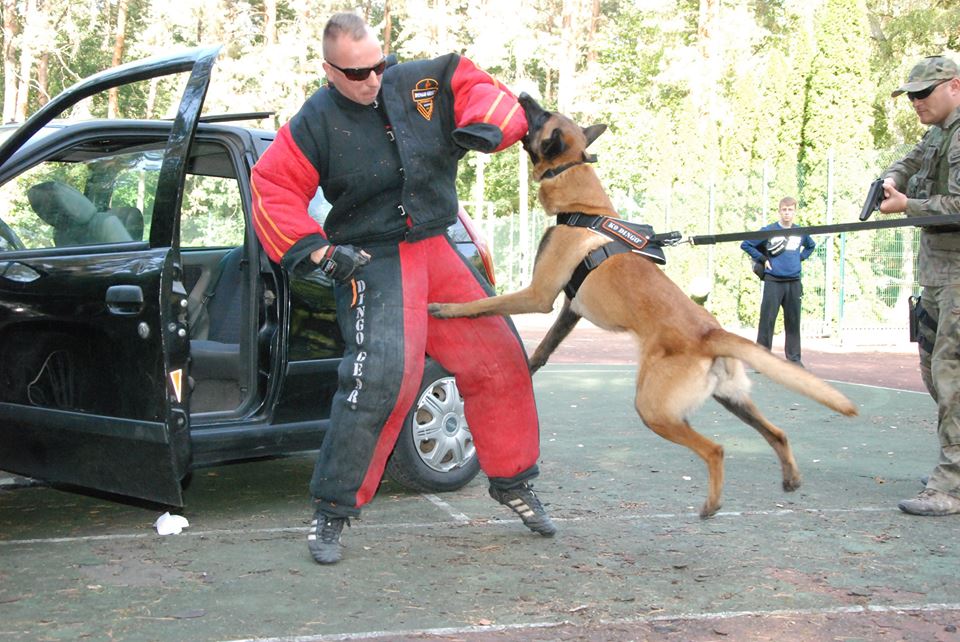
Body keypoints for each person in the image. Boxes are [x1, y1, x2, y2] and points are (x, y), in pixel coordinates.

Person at [250, 12, 556, 564]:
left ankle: (513, 481)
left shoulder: (422, 80)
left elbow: (480, 87)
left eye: (379, 65)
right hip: (373, 256)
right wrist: (318, 248)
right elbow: (271, 186)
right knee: (383, 376)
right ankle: (332, 509)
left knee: (500, 357)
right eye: (357, 73)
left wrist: (486, 127)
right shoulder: (313, 123)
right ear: (328, 70)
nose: (373, 80)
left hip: (437, 245)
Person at [880, 55, 960, 516]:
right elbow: (910, 158)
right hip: (936, 273)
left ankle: (952, 483)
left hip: (958, 277)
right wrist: (890, 179)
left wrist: (909, 205)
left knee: (953, 379)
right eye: (910, 95)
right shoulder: (938, 133)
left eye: (923, 93)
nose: (915, 103)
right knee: (935, 375)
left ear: (953, 86)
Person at [740, 197, 816, 366]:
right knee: (767, 320)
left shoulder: (800, 232)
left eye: (790, 210)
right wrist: (762, 258)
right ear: (779, 211)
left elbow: (811, 246)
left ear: (795, 211)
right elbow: (746, 244)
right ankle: (762, 360)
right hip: (773, 281)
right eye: (784, 210)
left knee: (793, 321)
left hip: (794, 282)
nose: (787, 213)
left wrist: (799, 258)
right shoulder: (769, 230)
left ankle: (794, 360)